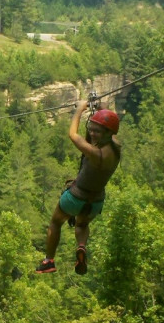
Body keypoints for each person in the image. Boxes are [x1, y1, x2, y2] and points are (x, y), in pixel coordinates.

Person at [36, 100, 121, 275]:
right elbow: (111, 124)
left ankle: (48, 261)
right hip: (96, 201)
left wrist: (80, 110)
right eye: (92, 128)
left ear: (107, 133)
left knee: (55, 221)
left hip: (76, 196)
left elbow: (73, 135)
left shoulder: (95, 153)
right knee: (81, 225)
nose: (92, 133)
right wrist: (101, 109)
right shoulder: (116, 147)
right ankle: (81, 246)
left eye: (97, 131)